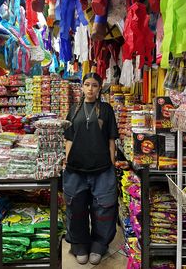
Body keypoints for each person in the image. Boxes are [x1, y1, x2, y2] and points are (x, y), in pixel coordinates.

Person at [63, 72, 119, 265]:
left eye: (94, 85)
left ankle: (99, 244)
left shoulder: (106, 109)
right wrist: (66, 161)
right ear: (82, 87)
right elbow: (69, 138)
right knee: (76, 207)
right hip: (75, 169)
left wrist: (111, 165)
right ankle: (79, 244)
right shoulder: (74, 109)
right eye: (87, 84)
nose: (90, 89)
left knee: (104, 209)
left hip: (102, 169)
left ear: (99, 88)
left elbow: (111, 139)